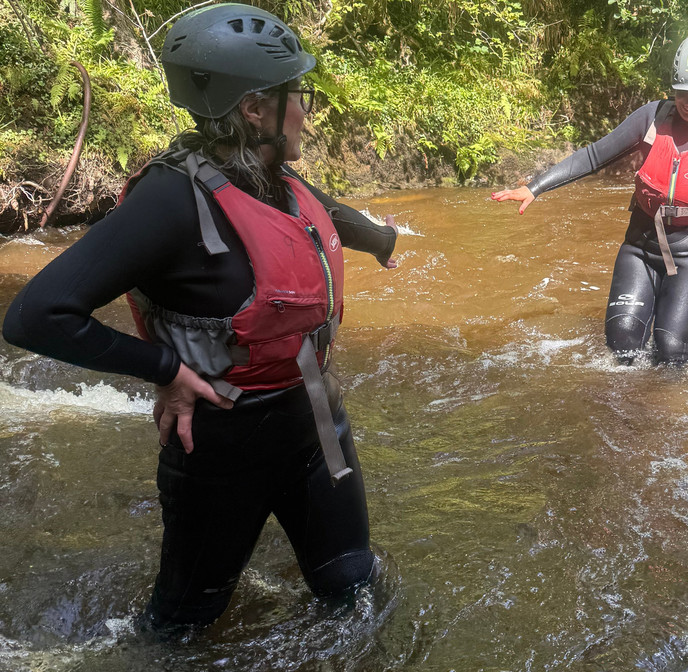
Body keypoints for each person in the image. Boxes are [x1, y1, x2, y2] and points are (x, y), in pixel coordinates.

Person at [2, 3, 397, 633]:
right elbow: (35, 314)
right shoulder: (170, 200)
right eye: (300, 95)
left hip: (316, 422)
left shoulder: (274, 177)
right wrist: (163, 368)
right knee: (183, 627)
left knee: (351, 586)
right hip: (219, 443)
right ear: (253, 109)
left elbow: (326, 216)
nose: (307, 111)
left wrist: (384, 241)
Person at [492, 34, 688, 365]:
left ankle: (662, 415)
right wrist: (536, 187)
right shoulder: (651, 118)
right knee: (622, 344)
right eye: (682, 92)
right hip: (641, 246)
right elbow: (594, 156)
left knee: (669, 352)